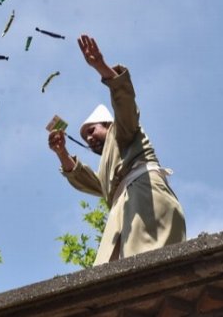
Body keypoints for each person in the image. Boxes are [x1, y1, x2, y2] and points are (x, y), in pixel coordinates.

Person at [48, 34, 186, 266]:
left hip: (145, 199)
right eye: (85, 137)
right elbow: (91, 181)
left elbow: (125, 103)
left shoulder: (123, 131)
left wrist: (101, 67)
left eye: (92, 130)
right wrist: (61, 153)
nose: (89, 138)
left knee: (149, 265)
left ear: (109, 125)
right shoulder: (110, 173)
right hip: (123, 210)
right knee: (108, 277)